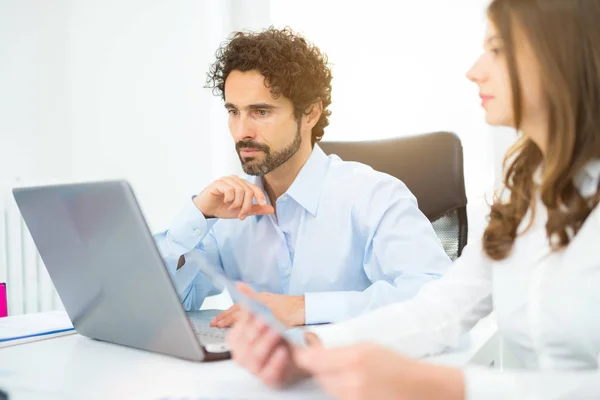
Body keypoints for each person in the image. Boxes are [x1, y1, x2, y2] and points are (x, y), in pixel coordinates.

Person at [226, 0, 600, 398]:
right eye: (233, 111)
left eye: (497, 49)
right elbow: (442, 309)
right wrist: (311, 351)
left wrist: (444, 386)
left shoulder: (369, 194)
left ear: (561, 55)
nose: (474, 70)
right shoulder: (524, 192)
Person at [154, 27, 451, 328]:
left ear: (309, 114)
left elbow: (435, 296)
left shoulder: (374, 196)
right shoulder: (228, 210)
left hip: (354, 368)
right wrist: (198, 215)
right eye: (234, 111)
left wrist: (303, 309)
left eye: (260, 112)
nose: (242, 131)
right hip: (251, 372)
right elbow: (166, 304)